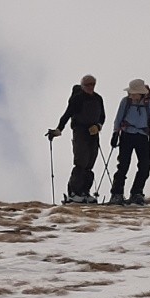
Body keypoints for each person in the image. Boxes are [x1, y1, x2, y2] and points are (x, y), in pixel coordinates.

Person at [107, 79, 150, 205]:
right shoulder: (126, 101)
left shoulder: (149, 103)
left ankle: (136, 193)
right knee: (123, 165)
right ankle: (117, 194)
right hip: (127, 135)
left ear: (141, 93)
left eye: (134, 93)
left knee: (145, 165)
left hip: (142, 136)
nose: (131, 95)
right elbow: (118, 118)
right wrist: (115, 133)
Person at [46, 75, 105, 203]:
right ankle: (74, 193)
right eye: (88, 84)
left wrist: (98, 126)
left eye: (93, 84)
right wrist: (59, 129)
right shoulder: (77, 99)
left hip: (93, 133)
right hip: (80, 131)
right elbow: (67, 114)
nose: (91, 87)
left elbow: (102, 116)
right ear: (82, 86)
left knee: (90, 162)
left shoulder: (98, 98)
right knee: (81, 161)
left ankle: (84, 192)